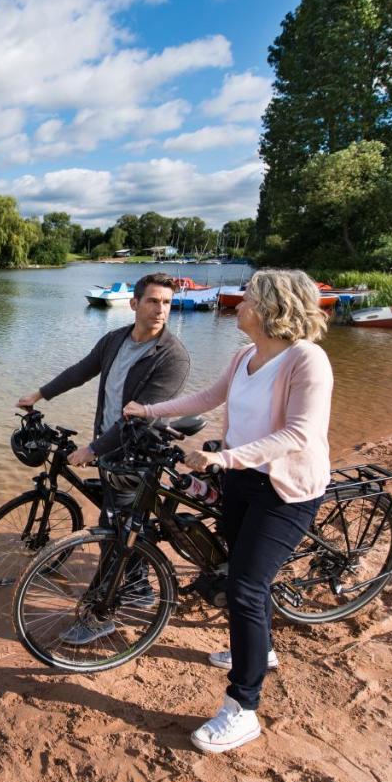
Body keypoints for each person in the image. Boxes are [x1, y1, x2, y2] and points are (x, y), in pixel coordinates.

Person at [124, 269, 332, 755]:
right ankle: (262, 649)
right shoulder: (244, 355)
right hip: (240, 481)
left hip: (285, 489)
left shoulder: (307, 360)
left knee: (244, 585)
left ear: (271, 307)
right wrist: (149, 411)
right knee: (237, 571)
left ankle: (243, 709)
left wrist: (223, 457)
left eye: (248, 298)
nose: (238, 304)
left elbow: (300, 433)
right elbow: (208, 397)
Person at [17, 272, 191, 641]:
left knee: (116, 533)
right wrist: (39, 394)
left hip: (139, 453)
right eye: (153, 301)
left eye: (167, 303)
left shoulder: (171, 357)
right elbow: (81, 370)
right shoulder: (115, 340)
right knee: (124, 522)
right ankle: (141, 588)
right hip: (108, 445)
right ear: (134, 304)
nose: (161, 310)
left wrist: (92, 450)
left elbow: (142, 417)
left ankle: (100, 615)